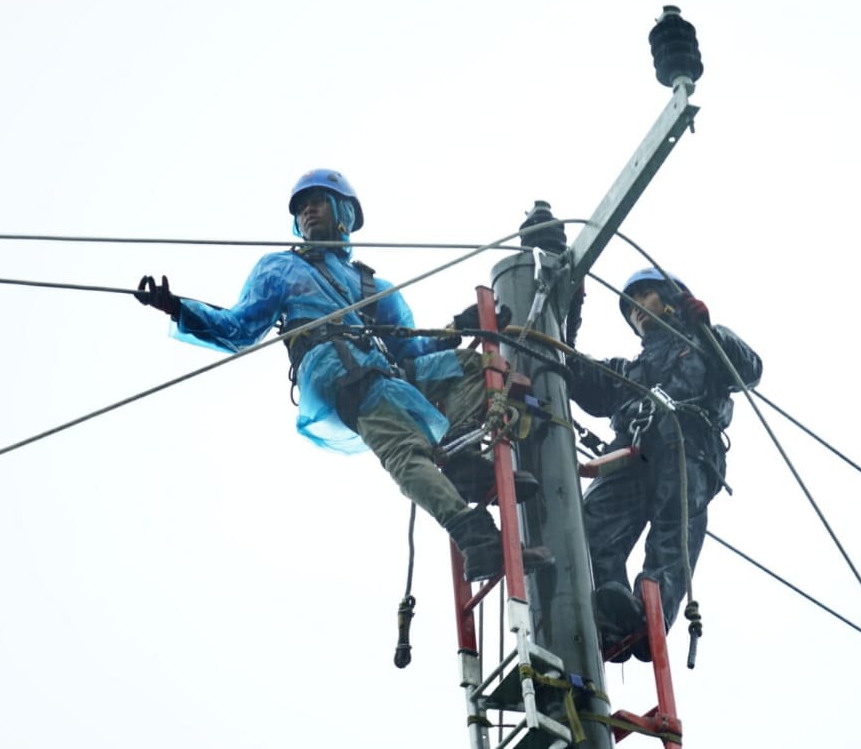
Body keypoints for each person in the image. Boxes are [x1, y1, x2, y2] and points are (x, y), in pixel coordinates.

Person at [133, 167, 549, 582]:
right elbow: (237, 328)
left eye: (317, 202)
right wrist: (177, 307)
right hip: (339, 372)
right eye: (301, 209)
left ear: (343, 213)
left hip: (385, 370)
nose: (307, 213)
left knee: (469, 369)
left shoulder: (373, 286)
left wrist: (460, 328)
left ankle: (459, 459)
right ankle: (474, 537)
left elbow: (410, 349)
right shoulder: (280, 269)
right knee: (403, 446)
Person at [567, 268, 762, 661]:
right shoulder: (630, 371)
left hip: (688, 447)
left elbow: (750, 369)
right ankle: (612, 606)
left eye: (644, 297)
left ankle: (647, 613)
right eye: (630, 306)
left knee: (672, 537)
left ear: (670, 298)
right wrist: (567, 315)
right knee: (592, 522)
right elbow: (578, 375)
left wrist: (707, 327)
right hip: (635, 450)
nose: (637, 309)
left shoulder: (705, 343)